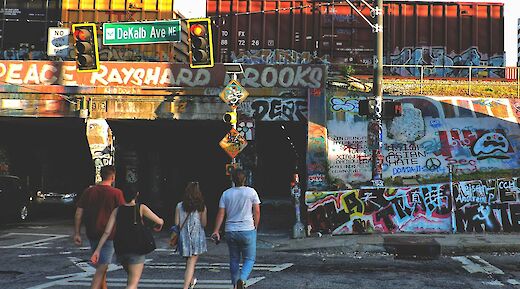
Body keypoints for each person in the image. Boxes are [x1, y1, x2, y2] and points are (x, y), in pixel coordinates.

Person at [90, 186, 164, 289]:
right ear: (137, 194)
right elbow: (159, 221)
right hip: (136, 249)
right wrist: (160, 223)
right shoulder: (141, 208)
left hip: (121, 249)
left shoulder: (117, 210)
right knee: (132, 284)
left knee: (131, 278)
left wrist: (97, 250)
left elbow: (107, 232)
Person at [74, 165, 125, 289]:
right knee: (103, 267)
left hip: (92, 232)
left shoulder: (89, 191)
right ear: (113, 177)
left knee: (101, 265)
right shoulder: (116, 193)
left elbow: (79, 212)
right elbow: (124, 213)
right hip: (109, 234)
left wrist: (77, 232)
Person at [211, 169, 261, 289]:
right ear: (245, 179)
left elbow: (221, 214)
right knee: (249, 259)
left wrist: (216, 230)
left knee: (234, 258)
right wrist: (255, 227)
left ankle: (234, 284)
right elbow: (257, 211)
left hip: (230, 230)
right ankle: (242, 279)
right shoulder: (251, 192)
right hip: (247, 229)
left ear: (233, 180)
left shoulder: (226, 194)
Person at [174, 181, 208, 289]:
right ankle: (185, 287)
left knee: (189, 262)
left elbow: (176, 224)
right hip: (196, 238)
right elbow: (204, 223)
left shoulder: (179, 206)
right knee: (191, 262)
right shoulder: (201, 207)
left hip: (184, 238)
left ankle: (191, 280)